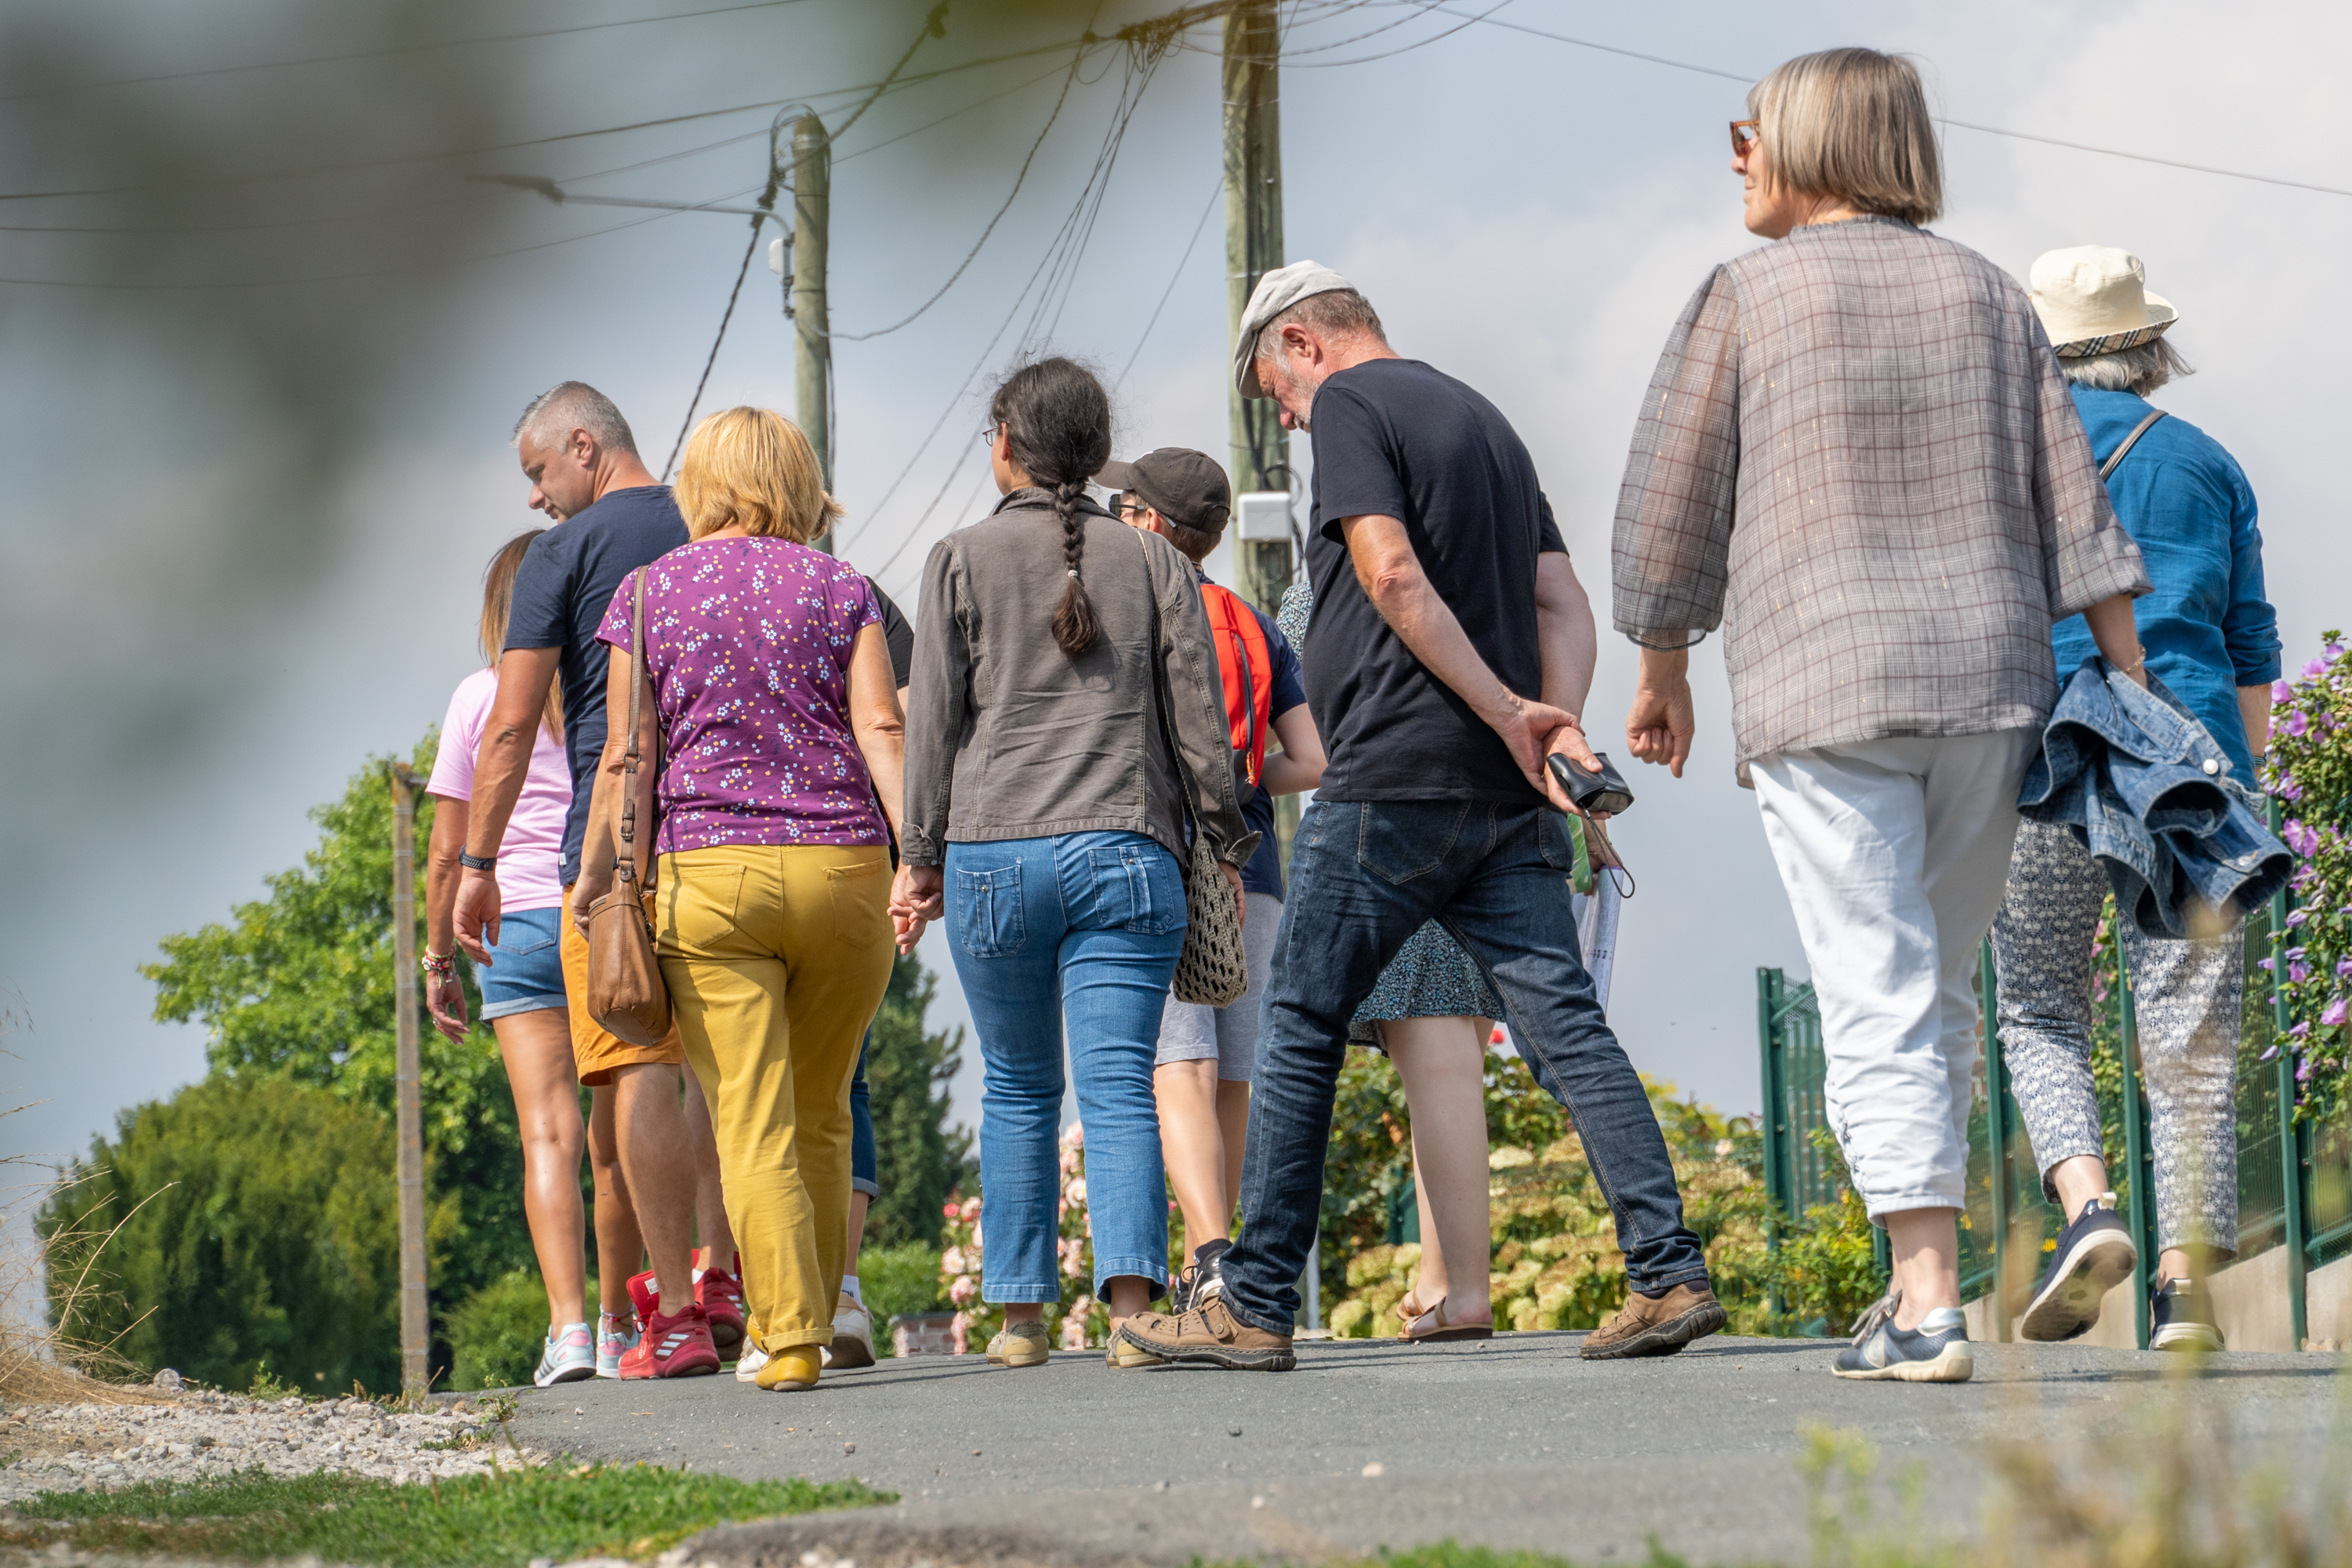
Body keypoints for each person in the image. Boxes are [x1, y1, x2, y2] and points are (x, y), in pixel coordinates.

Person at [1610, 50, 2152, 1383]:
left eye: (1751, 136)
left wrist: (1665, 665)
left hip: (1823, 683)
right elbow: (2068, 501)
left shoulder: (1745, 294)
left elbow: (1673, 498)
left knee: (1873, 991)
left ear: (1807, 144)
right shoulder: (1988, 292)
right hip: (1990, 684)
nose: (1737, 158)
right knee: (1936, 991)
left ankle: (1924, 1300)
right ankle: (1919, 1279)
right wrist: (2131, 681)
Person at [1116, 263, 1722, 1374]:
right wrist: (1553, 728)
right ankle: (1668, 1271)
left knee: (1299, 1019)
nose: (1290, 420)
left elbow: (1387, 573)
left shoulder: (1354, 403)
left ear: (1303, 342)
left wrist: (1501, 712)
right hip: (1502, 797)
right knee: (1566, 1030)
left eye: (1277, 395)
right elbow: (1561, 603)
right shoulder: (1488, 422)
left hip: (1393, 774)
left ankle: (1251, 1305)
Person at [894, 358, 1254, 1370]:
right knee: (1121, 1086)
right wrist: (1223, 842)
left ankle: (1016, 1321)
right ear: (1097, 455)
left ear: (1005, 444)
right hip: (1127, 849)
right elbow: (1200, 725)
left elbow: (934, 730)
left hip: (993, 854)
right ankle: (1136, 1314)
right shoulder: (1157, 564)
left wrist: (918, 858)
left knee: (1015, 1084)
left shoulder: (958, 556)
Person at [572, 406, 911, 1392]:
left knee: (751, 1115)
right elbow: (882, 727)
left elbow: (626, 754)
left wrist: (598, 882)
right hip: (846, 871)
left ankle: (789, 1336)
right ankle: (806, 1308)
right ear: (800, 483)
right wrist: (920, 856)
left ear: (701, 482)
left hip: (709, 880)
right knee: (821, 1109)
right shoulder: (843, 586)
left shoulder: (644, 596)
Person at [1988, 245, 2279, 1351]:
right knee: (2191, 1035)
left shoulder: (2013, 452)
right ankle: (2186, 1293)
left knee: (2038, 1005)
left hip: (2049, 754)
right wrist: (2233, 783)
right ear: (2149, 347)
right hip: (2188, 758)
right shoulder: (2208, 461)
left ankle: (2089, 1210)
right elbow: (2251, 639)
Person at [449, 382, 742, 1378]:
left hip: (615, 850)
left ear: (584, 445)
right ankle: (731, 1276)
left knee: (641, 1069)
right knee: (731, 1065)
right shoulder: (714, 511)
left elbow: (508, 726)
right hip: (733, 826)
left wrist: (479, 866)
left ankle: (672, 1318)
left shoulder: (563, 556)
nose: (537, 498)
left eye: (538, 472)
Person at [1104, 448, 1323, 1308]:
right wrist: (1239, 778)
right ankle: (1225, 1263)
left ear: (1150, 523)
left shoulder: (1132, 615)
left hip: (1167, 859)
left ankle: (1208, 1254)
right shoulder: (1251, 620)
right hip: (1256, 866)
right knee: (1234, 1069)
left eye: (1125, 504)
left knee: (1177, 1066)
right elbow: (1311, 759)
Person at [1273, 575, 1501, 1341]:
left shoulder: (1323, 592)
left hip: (1389, 831)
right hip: (1491, 821)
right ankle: (1443, 1277)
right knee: (1452, 1063)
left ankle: (1464, 1287)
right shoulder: (1474, 564)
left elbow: (1301, 731)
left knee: (1437, 1062)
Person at [422, 531, 597, 1385]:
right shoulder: (603, 684)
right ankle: (650, 1310)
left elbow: (446, 851)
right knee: (628, 1124)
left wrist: (435, 960)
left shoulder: (475, 699)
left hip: (513, 925)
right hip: (600, 914)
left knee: (548, 1133)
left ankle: (570, 1330)